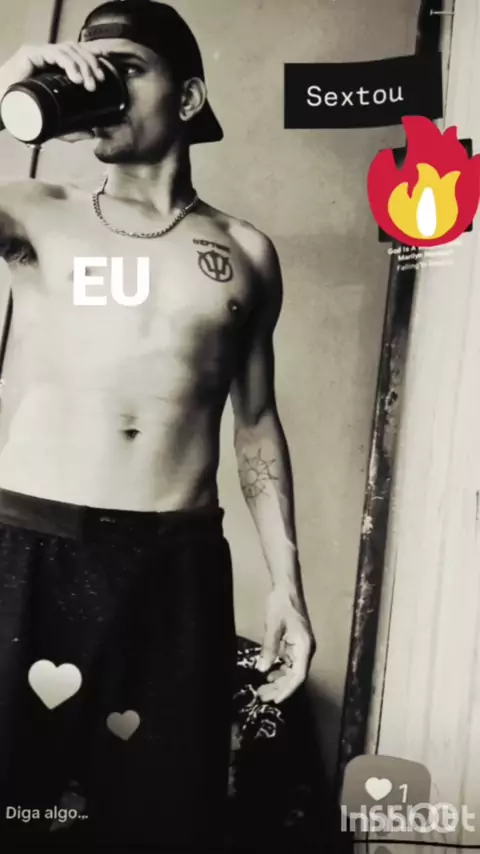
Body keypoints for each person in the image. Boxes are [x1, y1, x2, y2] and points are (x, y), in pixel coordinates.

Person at [0, 1, 315, 849]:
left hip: (173, 567)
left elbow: (256, 424)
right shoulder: (31, 212)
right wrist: (9, 83)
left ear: (188, 98)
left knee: (163, 820)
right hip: (29, 549)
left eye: (126, 68)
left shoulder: (245, 252)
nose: (98, 84)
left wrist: (287, 586)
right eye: (88, 67)